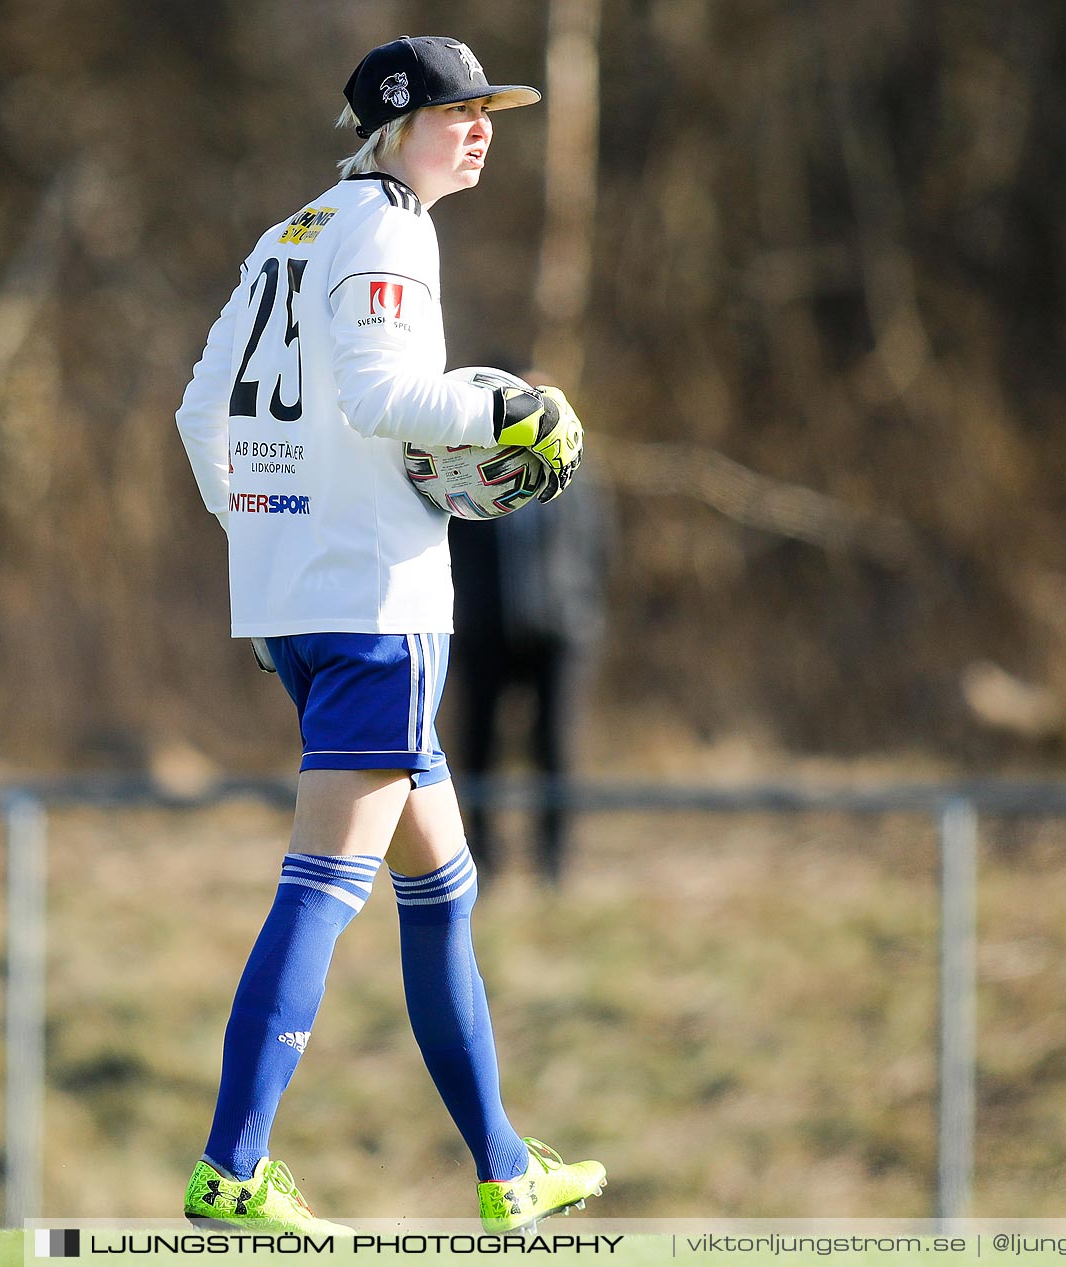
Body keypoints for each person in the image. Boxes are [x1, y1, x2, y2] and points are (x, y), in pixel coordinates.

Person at [174, 36, 603, 1235]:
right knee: (321, 889)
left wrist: (259, 536)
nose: (481, 128)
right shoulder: (390, 224)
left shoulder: (289, 235)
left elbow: (202, 411)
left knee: (444, 886)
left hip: (301, 606)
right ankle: (233, 1168)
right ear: (394, 123)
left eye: (490, 112)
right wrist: (514, 407)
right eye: (458, 111)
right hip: (377, 608)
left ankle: (508, 1168)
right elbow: (381, 399)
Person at [450, 450, 611, 882]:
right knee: (477, 747)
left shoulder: (578, 471)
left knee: (557, 746)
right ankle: (482, 859)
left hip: (559, 630)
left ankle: (554, 863)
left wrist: (582, 609)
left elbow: (598, 543)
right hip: (486, 630)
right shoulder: (473, 471)